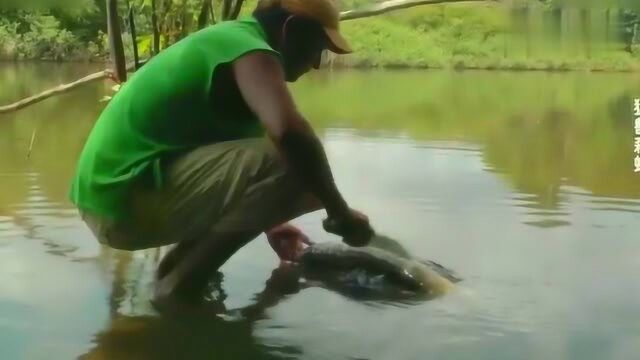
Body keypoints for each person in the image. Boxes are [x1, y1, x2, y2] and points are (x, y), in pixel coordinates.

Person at [69, 0, 374, 304]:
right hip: (123, 196)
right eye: (317, 47)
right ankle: (180, 292)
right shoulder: (249, 50)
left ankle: (173, 275)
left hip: (109, 198)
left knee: (301, 174)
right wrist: (340, 214)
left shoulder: (232, 43)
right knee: (300, 167)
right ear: (289, 29)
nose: (317, 63)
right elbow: (291, 136)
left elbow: (247, 175)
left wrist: (272, 223)